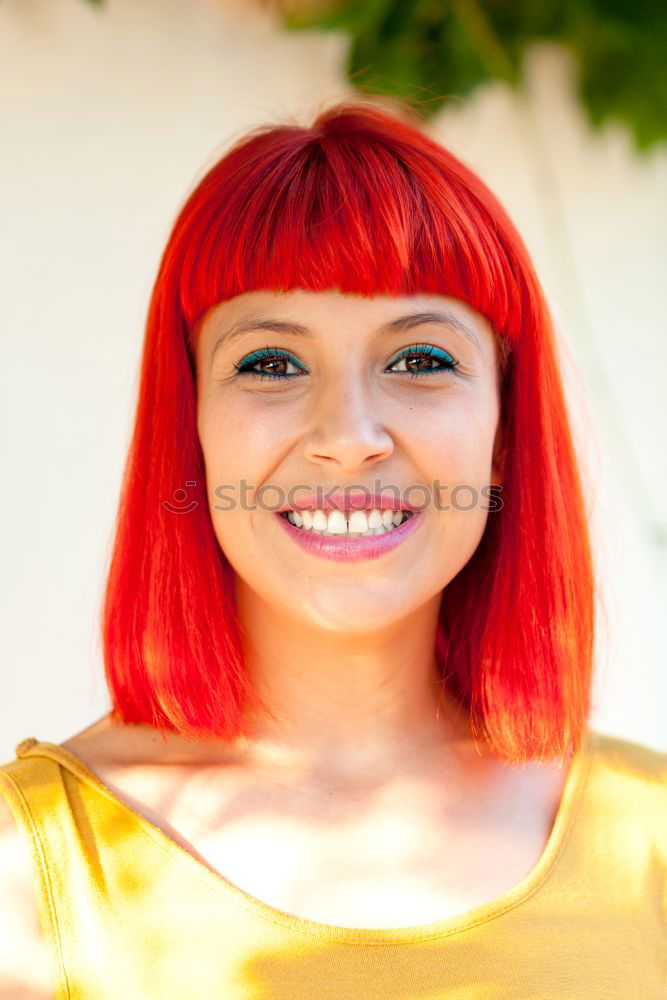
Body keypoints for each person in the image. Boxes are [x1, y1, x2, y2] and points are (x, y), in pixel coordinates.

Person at [0, 101, 664, 999]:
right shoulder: (28, 874)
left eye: (422, 360)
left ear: (505, 432)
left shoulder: (651, 838)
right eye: (271, 364)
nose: (348, 436)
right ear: (190, 426)